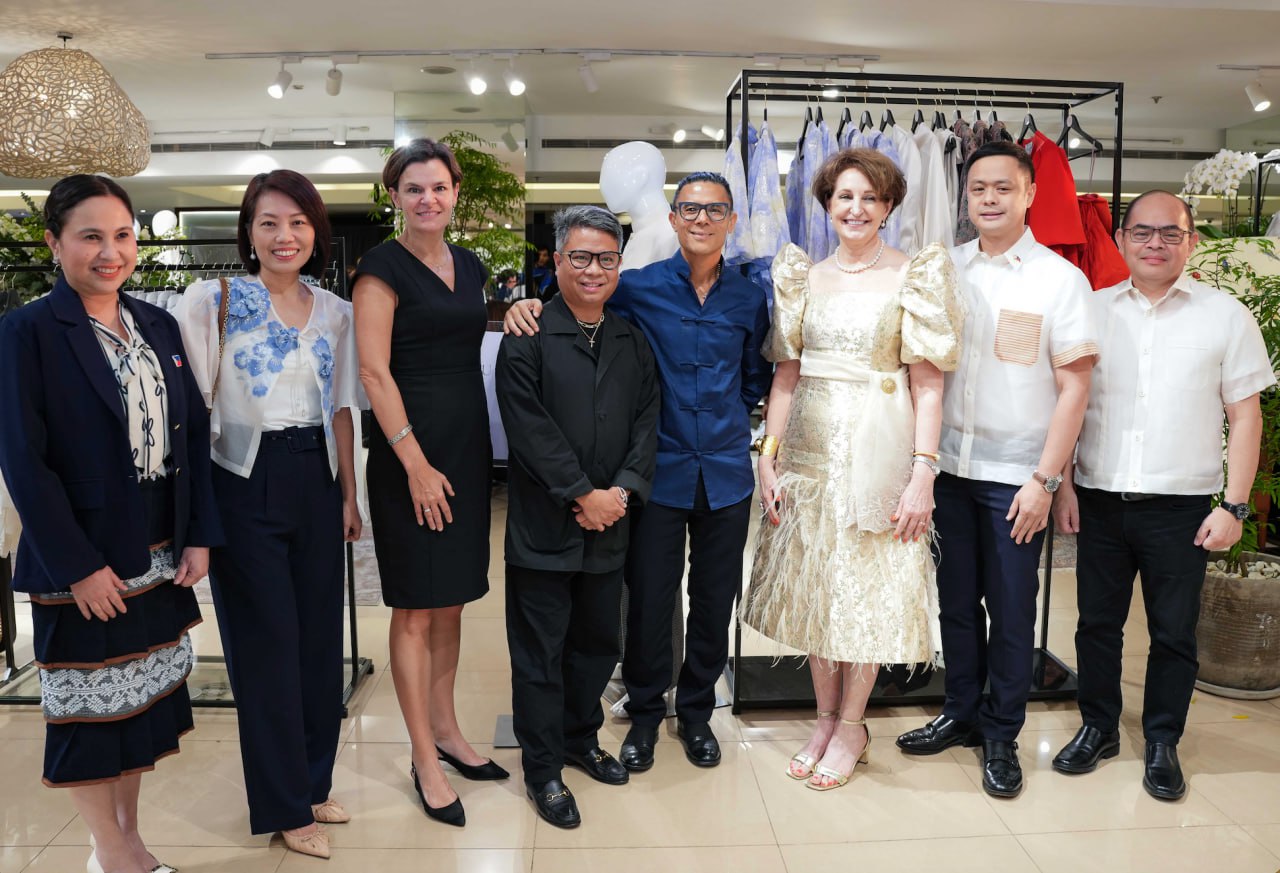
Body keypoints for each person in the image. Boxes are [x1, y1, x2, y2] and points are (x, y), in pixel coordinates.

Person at [505, 171, 772, 773]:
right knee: (650, 601)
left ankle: (698, 712)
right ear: (674, 220)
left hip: (727, 472)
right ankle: (647, 714)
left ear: (731, 221)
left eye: (715, 211)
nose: (701, 220)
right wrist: (528, 302)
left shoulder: (750, 298)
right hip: (658, 470)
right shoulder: (639, 287)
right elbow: (581, 303)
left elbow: (755, 376)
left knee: (712, 600)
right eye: (689, 210)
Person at [0, 174, 222, 873]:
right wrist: (77, 564)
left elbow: (192, 435)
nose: (110, 251)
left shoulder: (156, 323)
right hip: (85, 555)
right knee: (89, 712)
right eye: (90, 236)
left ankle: (124, 838)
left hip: (157, 544)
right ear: (54, 243)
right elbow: (22, 462)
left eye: (122, 235)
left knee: (141, 704)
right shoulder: (27, 331)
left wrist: (198, 532)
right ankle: (116, 850)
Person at [743, 148, 962, 791]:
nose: (856, 208)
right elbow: (786, 376)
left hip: (881, 451)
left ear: (890, 207)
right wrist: (768, 455)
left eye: (870, 198)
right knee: (817, 587)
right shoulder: (802, 276)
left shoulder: (913, 275)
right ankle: (824, 717)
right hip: (810, 451)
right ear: (827, 204)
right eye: (844, 196)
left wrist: (923, 473)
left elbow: (928, 385)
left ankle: (854, 724)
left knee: (865, 592)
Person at [1050, 190, 1274, 800]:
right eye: (1143, 233)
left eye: (1170, 234)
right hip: (1098, 498)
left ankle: (1161, 740)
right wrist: (1064, 484)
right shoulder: (1089, 311)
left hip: (1184, 508)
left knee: (1174, 632)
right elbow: (1067, 407)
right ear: (1121, 240)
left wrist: (1233, 505)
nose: (1156, 244)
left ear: (1190, 242)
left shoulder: (1226, 315)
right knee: (1097, 624)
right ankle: (1098, 726)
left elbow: (1245, 416)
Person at [896, 140, 1098, 799]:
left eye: (1002, 188)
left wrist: (1046, 479)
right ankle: (959, 709)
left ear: (1029, 193)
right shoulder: (945, 270)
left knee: (1012, 611)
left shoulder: (1057, 279)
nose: (988, 198)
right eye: (977, 187)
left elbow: (1074, 388)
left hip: (1017, 476)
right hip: (949, 468)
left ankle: (1002, 733)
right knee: (954, 603)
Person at [174, 170, 362, 859]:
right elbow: (192, 415)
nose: (286, 237)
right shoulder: (212, 300)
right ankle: (284, 806)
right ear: (247, 232)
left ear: (317, 232)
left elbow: (342, 407)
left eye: (299, 223)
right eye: (270, 223)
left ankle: (312, 783)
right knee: (268, 648)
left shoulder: (335, 311)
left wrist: (348, 494)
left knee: (318, 644)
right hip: (241, 482)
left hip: (314, 473)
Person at [353, 138, 507, 829]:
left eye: (439, 187)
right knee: (416, 606)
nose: (428, 199)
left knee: (453, 601)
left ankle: (447, 729)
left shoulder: (471, 265)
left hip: (466, 446)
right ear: (395, 196)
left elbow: (478, 335)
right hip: (408, 454)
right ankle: (422, 754)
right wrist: (413, 462)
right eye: (413, 188)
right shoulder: (379, 267)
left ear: (455, 192)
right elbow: (373, 373)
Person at [497, 205, 659, 828]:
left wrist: (620, 492)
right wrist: (580, 493)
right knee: (539, 653)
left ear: (619, 264)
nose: (594, 270)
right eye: (581, 258)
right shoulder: (527, 337)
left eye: (606, 258)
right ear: (558, 262)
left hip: (611, 521)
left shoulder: (629, 339)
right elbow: (529, 429)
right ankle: (542, 769)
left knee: (595, 644)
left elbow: (648, 421)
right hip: (545, 525)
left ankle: (578, 738)